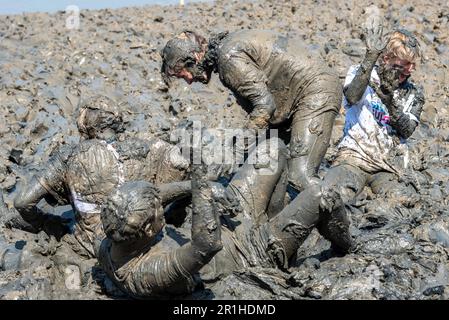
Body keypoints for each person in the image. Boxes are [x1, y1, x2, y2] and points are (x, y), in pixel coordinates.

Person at [98, 137, 346, 298]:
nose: (161, 205)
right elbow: (206, 244)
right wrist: (199, 178)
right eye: (157, 211)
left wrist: (197, 189)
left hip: (230, 222)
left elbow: (154, 195)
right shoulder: (148, 273)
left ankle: (280, 232)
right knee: (322, 194)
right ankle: (347, 249)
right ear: (148, 230)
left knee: (274, 149)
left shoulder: (116, 235)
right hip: (251, 253)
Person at [286, 25, 425, 253]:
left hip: (389, 167)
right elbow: (351, 96)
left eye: (408, 71)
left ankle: (370, 248)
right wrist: (370, 59)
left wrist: (390, 101)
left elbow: (407, 129)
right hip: (352, 158)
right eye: (399, 69)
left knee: (402, 207)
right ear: (385, 58)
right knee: (330, 200)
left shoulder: (412, 93)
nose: (404, 76)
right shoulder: (361, 73)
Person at [161, 29, 342, 195]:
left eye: (183, 74)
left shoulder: (228, 58)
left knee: (300, 176)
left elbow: (264, 106)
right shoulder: (227, 50)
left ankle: (339, 220)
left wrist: (235, 152)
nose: (190, 80)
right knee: (269, 164)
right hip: (295, 96)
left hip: (315, 91)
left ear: (195, 56)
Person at [11, 95, 191, 259]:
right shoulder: (145, 148)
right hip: (141, 241)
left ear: (84, 124)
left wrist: (48, 222)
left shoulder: (67, 156)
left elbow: (22, 201)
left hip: (91, 246)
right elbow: (181, 163)